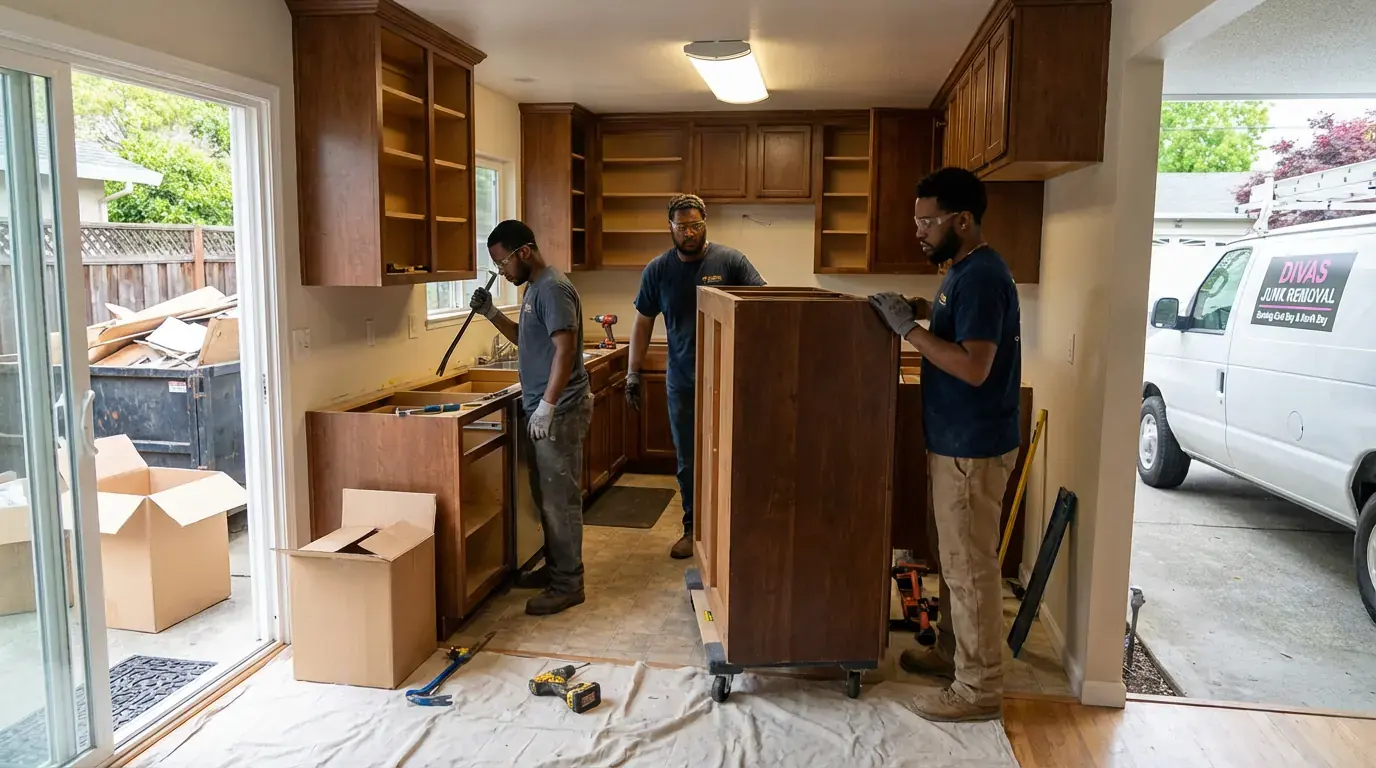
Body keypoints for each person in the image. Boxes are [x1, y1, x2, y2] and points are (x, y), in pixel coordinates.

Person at [868, 167, 1022, 722]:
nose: (920, 231)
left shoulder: (979, 276)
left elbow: (974, 367)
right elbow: (963, 329)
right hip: (959, 442)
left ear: (962, 219)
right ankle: (954, 653)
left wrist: (908, 330)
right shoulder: (962, 271)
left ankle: (978, 690)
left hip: (972, 449)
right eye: (917, 221)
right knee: (955, 563)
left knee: (969, 569)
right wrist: (925, 309)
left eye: (928, 221)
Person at [625, 194, 765, 559]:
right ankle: (694, 529)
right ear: (670, 228)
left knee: (734, 454)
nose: (689, 233)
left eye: (696, 225)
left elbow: (764, 306)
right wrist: (632, 373)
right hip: (683, 382)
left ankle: (736, 528)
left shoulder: (730, 262)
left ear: (706, 223)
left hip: (729, 379)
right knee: (688, 459)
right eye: (682, 226)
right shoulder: (658, 270)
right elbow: (642, 324)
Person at [470, 220, 592, 616]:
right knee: (546, 496)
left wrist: (548, 405)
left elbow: (565, 350)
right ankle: (558, 569)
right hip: (546, 407)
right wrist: (490, 313)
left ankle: (568, 584)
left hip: (561, 410)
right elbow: (529, 339)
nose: (501, 272)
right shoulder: (533, 290)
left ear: (524, 252)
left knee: (560, 500)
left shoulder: (553, 288)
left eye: (503, 263)